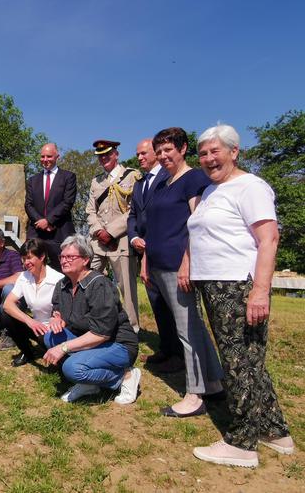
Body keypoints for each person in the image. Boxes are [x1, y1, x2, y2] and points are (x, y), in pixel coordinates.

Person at [188, 124, 294, 467]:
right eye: (203, 153)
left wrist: (260, 291)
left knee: (238, 363)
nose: (208, 159)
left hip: (237, 285)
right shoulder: (210, 192)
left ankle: (242, 443)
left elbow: (269, 240)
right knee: (248, 362)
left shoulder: (251, 187)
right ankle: (275, 431)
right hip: (214, 285)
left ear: (235, 152)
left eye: (215, 151)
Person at [143, 127, 224, 417]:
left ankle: (195, 394)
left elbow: (198, 224)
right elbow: (152, 228)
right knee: (194, 327)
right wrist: (145, 262)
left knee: (187, 331)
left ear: (183, 149)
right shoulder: (164, 183)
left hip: (179, 267)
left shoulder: (194, 179)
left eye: (169, 150)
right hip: (157, 264)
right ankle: (214, 383)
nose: (163, 156)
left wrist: (187, 264)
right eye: (159, 151)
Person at [43, 235, 141, 405]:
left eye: (70, 257)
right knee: (49, 336)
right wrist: (55, 319)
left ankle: (124, 376)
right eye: (62, 257)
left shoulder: (98, 285)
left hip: (117, 344)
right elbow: (57, 309)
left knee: (72, 368)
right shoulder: (62, 285)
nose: (64, 261)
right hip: (90, 341)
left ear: (85, 260)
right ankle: (90, 383)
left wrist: (63, 347)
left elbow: (101, 334)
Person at [127, 139, 184, 372]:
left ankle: (180, 356)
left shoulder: (168, 178)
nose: (139, 158)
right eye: (137, 154)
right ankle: (167, 348)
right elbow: (133, 216)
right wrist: (133, 238)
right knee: (157, 304)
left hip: (166, 251)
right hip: (145, 254)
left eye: (143, 153)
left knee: (174, 307)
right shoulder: (140, 184)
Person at [86, 139, 140, 332]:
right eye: (100, 156)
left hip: (121, 240)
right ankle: (92, 325)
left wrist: (111, 232)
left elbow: (135, 209)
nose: (104, 159)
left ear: (116, 154)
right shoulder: (96, 181)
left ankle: (131, 330)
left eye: (107, 154)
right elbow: (90, 210)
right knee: (89, 282)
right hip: (98, 242)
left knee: (127, 289)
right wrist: (99, 230)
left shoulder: (132, 176)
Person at [1, 238, 64, 367]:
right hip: (36, 327)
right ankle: (27, 352)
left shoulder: (58, 280)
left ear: (42, 257)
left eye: (29, 258)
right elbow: (7, 304)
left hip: (55, 330)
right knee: (6, 314)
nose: (26, 263)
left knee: (61, 367)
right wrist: (29, 321)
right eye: (23, 259)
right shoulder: (24, 277)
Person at [25, 143, 77, 270]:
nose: (45, 160)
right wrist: (40, 222)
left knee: (63, 271)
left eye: (49, 156)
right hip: (36, 233)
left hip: (59, 232)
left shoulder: (68, 177)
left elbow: (67, 202)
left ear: (57, 157)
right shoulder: (32, 180)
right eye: (42, 157)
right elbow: (28, 204)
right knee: (33, 271)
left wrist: (48, 221)